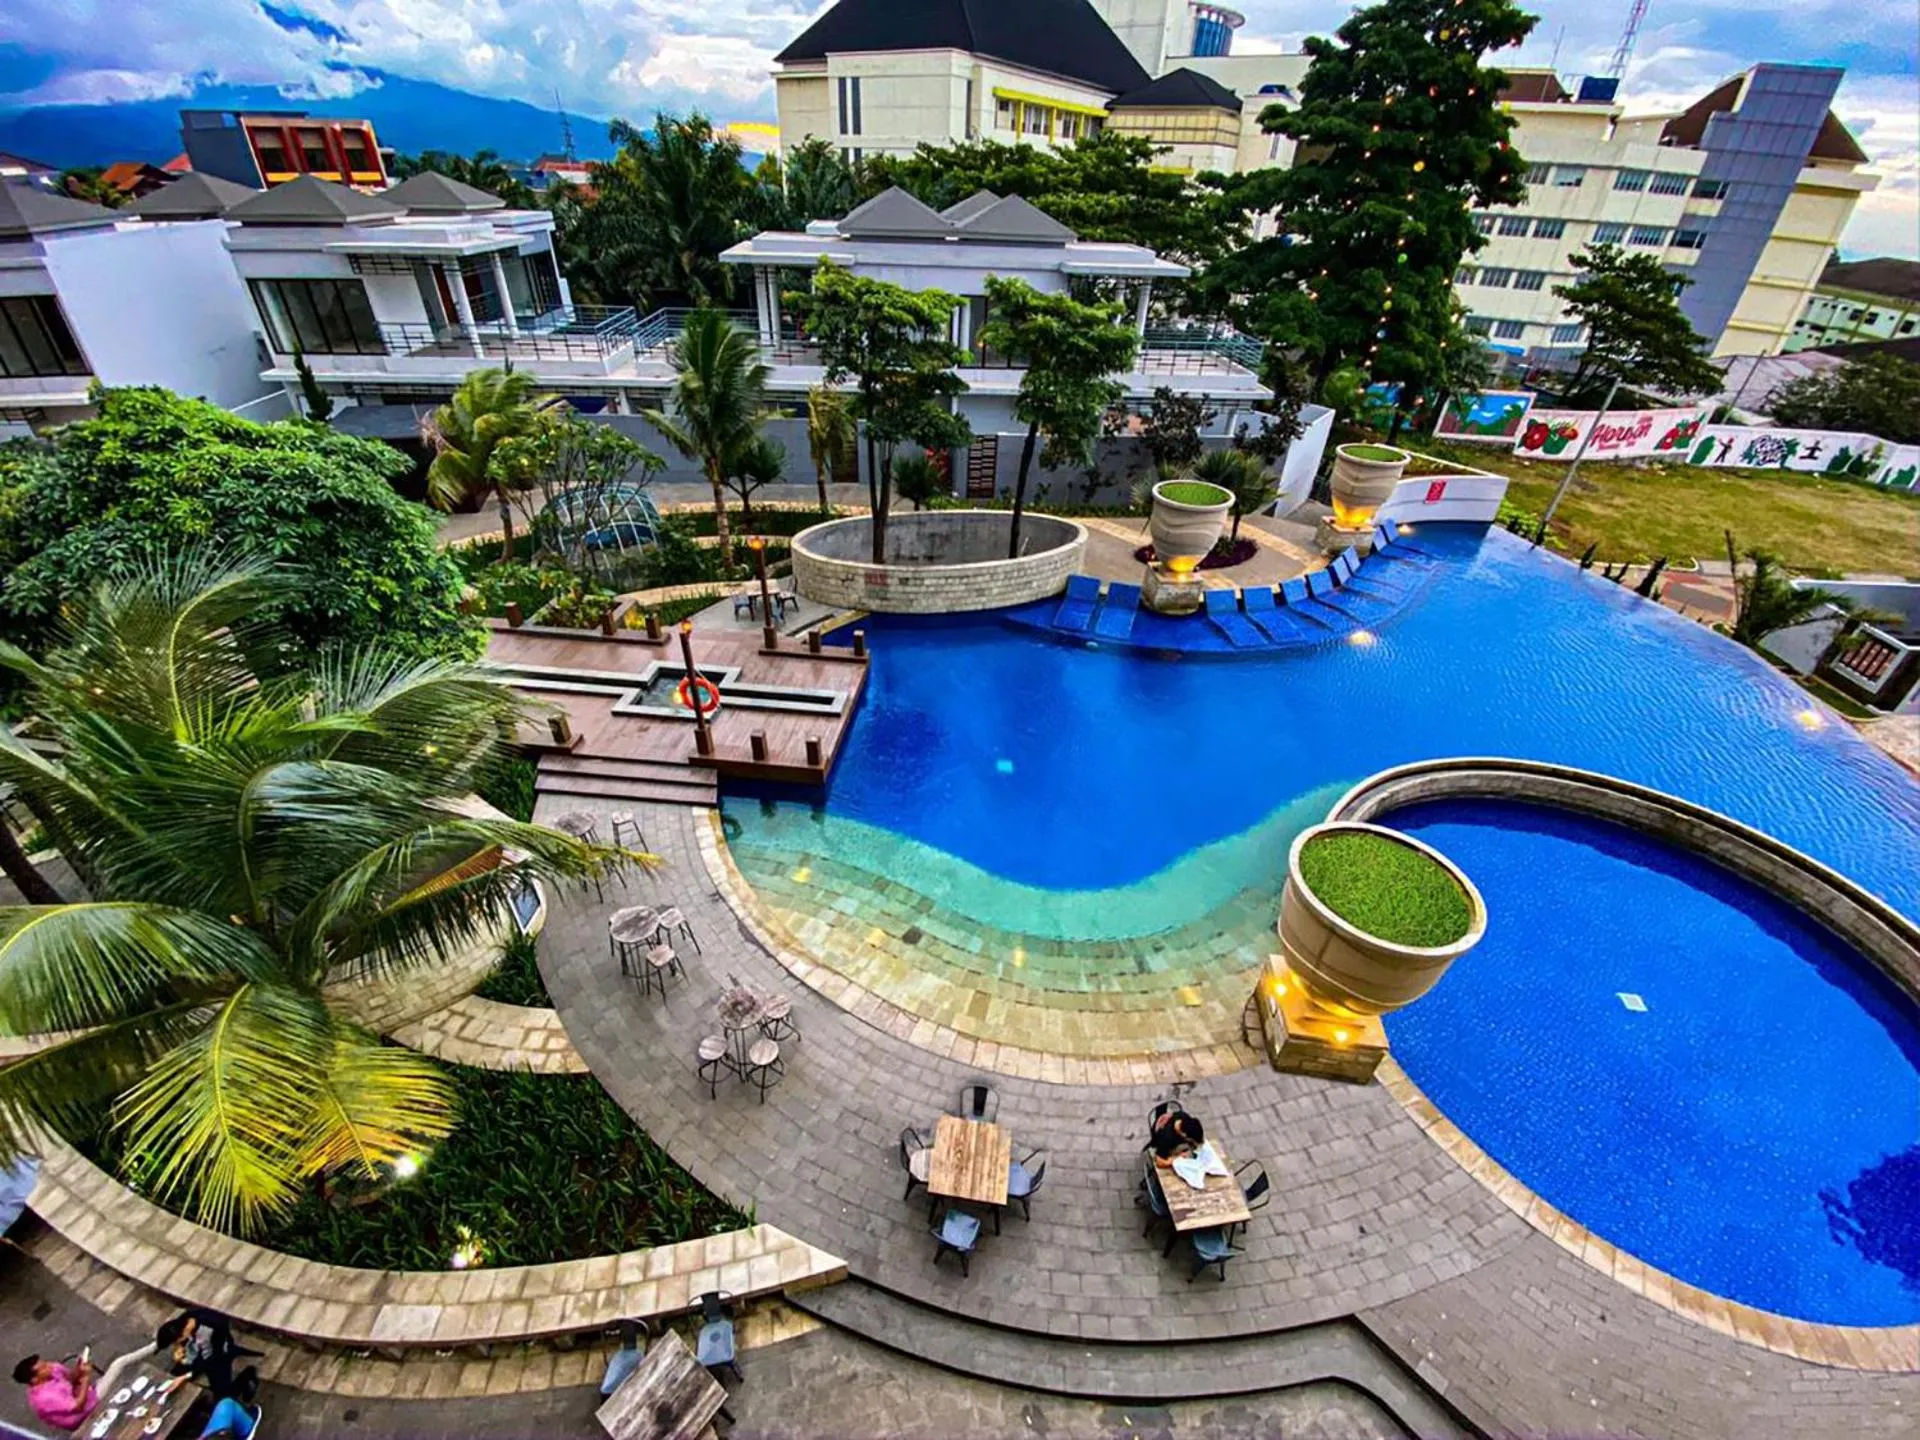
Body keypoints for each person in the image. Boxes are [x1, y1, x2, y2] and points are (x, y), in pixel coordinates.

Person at [155, 1309, 260, 1402]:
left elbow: (212, 1358)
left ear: (184, 1333)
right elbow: (187, 1344)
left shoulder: (211, 1327)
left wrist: (188, 1375)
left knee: (224, 1397)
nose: (176, 1344)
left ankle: (248, 1375)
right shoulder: (183, 1320)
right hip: (198, 1351)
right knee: (173, 1377)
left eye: (176, 1342)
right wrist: (181, 1348)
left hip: (219, 1354)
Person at [12, 1351, 97, 1432]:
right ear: (35, 1380)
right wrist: (85, 1379)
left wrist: (79, 1368)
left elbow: (68, 1379)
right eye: (44, 1367)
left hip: (91, 1396)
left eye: (45, 1363)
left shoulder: (53, 1369)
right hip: (84, 1418)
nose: (50, 1365)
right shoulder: (44, 1397)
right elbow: (78, 1406)